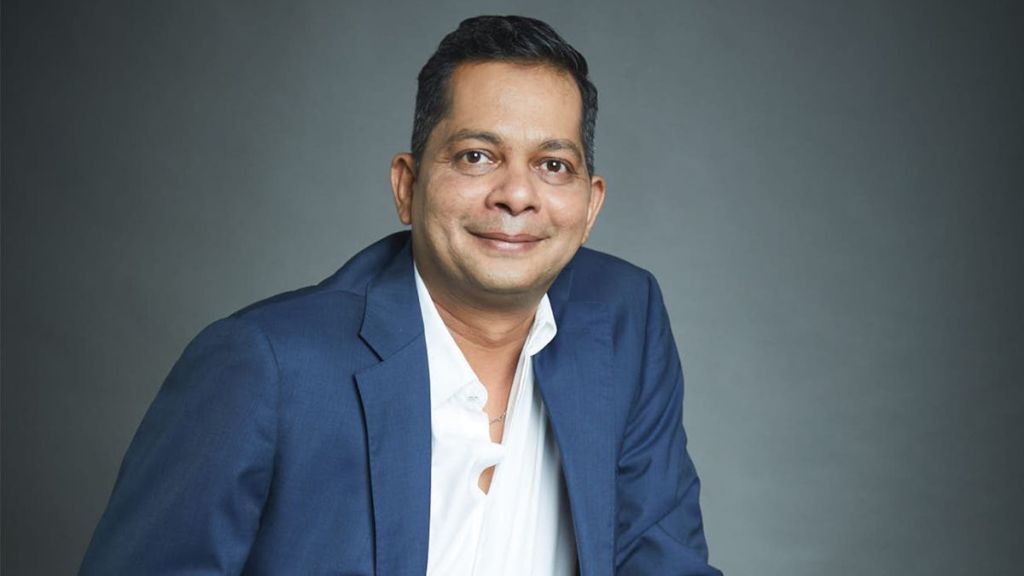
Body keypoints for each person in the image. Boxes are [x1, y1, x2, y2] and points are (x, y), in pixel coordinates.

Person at [80, 15, 722, 576]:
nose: (516, 195)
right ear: (406, 186)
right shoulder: (266, 365)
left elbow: (664, 559)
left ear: (590, 206)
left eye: (553, 165)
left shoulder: (624, 317)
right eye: (476, 156)